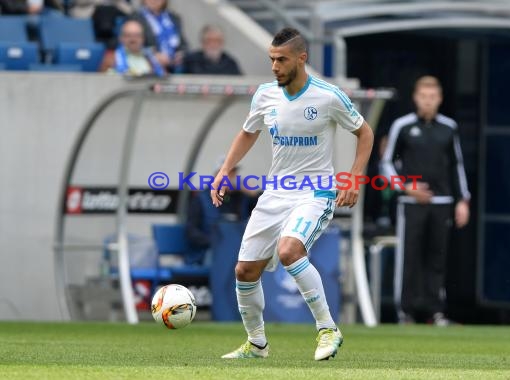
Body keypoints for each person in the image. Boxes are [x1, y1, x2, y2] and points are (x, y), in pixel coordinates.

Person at [210, 27, 374, 360]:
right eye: (271, 59)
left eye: (281, 60)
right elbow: (247, 133)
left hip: (315, 192)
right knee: (244, 271)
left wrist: (353, 179)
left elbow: (364, 132)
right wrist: (224, 170)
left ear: (302, 58)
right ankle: (257, 343)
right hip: (276, 193)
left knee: (289, 250)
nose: (274, 66)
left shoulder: (328, 96)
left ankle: (327, 329)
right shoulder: (265, 95)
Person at [382, 75, 470, 326]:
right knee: (409, 258)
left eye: (433, 97)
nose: (428, 101)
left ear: (440, 99)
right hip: (411, 204)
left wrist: (462, 200)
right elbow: (387, 162)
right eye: (424, 96)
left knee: (437, 258)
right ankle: (405, 312)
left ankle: (435, 312)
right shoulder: (403, 126)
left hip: (442, 202)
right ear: (416, 98)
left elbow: (457, 165)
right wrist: (406, 188)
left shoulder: (449, 127)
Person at [186, 159, 258, 265]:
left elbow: (261, 215)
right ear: (217, 175)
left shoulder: (241, 197)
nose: (232, 177)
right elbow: (191, 231)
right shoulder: (202, 198)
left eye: (234, 173)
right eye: (228, 173)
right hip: (207, 252)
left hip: (236, 251)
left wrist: (253, 195)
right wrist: (215, 242)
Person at [130, 0, 188, 73]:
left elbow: (184, 46)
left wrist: (180, 55)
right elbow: (130, 45)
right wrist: (152, 56)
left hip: (175, 68)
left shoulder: (174, 18)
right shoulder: (135, 17)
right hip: (149, 69)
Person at [100, 19, 165, 77]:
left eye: (137, 35)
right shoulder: (111, 58)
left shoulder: (153, 59)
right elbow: (103, 84)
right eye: (128, 35)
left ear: (143, 38)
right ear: (121, 38)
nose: (133, 39)